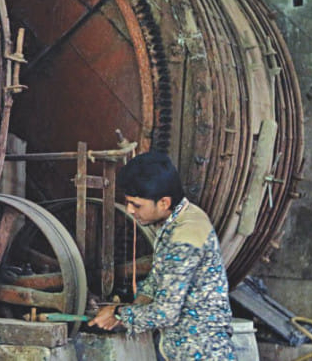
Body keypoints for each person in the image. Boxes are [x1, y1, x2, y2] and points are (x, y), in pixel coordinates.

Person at [87, 151, 235, 360]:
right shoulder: (181, 217)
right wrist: (135, 305)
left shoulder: (185, 237)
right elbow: (160, 276)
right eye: (128, 202)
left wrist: (119, 313)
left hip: (201, 353)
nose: (129, 210)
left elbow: (165, 313)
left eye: (137, 205)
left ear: (164, 202)